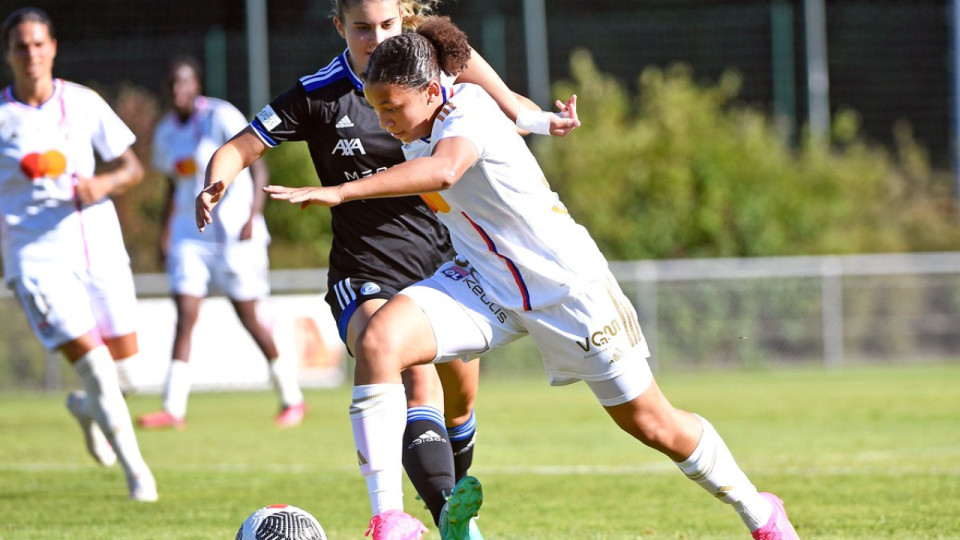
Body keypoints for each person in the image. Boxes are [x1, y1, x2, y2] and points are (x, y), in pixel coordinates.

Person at [263, 17, 802, 540]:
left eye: (391, 108)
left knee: (654, 424)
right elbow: (500, 110)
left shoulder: (465, 110)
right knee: (380, 341)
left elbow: (445, 170)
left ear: (431, 90)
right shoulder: (421, 110)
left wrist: (340, 191)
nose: (384, 121)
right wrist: (544, 121)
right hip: (483, 281)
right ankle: (390, 522)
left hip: (567, 288)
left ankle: (761, 512)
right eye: (376, 108)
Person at [196, 1, 578, 538]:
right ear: (338, 27)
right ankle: (400, 519)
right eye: (360, 27)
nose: (375, 37)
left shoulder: (434, 64)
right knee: (403, 361)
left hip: (447, 261)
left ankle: (447, 502)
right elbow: (241, 147)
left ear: (404, 18)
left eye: (387, 25)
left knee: (460, 401)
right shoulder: (319, 93)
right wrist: (217, 180)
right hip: (364, 266)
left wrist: (547, 120)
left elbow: (509, 104)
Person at [0, 7, 157, 502]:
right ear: (9, 54)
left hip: (100, 247)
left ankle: (87, 409)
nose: (31, 54)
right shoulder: (2, 119)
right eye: (21, 46)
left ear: (53, 47)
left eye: (39, 44)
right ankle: (139, 477)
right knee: (95, 366)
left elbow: (131, 167)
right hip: (36, 259)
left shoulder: (83, 103)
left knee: (128, 373)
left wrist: (102, 183)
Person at [138, 56, 306, 430]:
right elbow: (171, 186)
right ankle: (172, 408)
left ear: (196, 84)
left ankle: (292, 397)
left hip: (232, 232)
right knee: (184, 315)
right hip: (189, 235)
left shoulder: (220, 115)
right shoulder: (166, 131)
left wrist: (253, 215)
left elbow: (256, 161)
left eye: (185, 83)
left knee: (249, 316)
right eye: (172, 85)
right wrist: (164, 233)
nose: (178, 90)